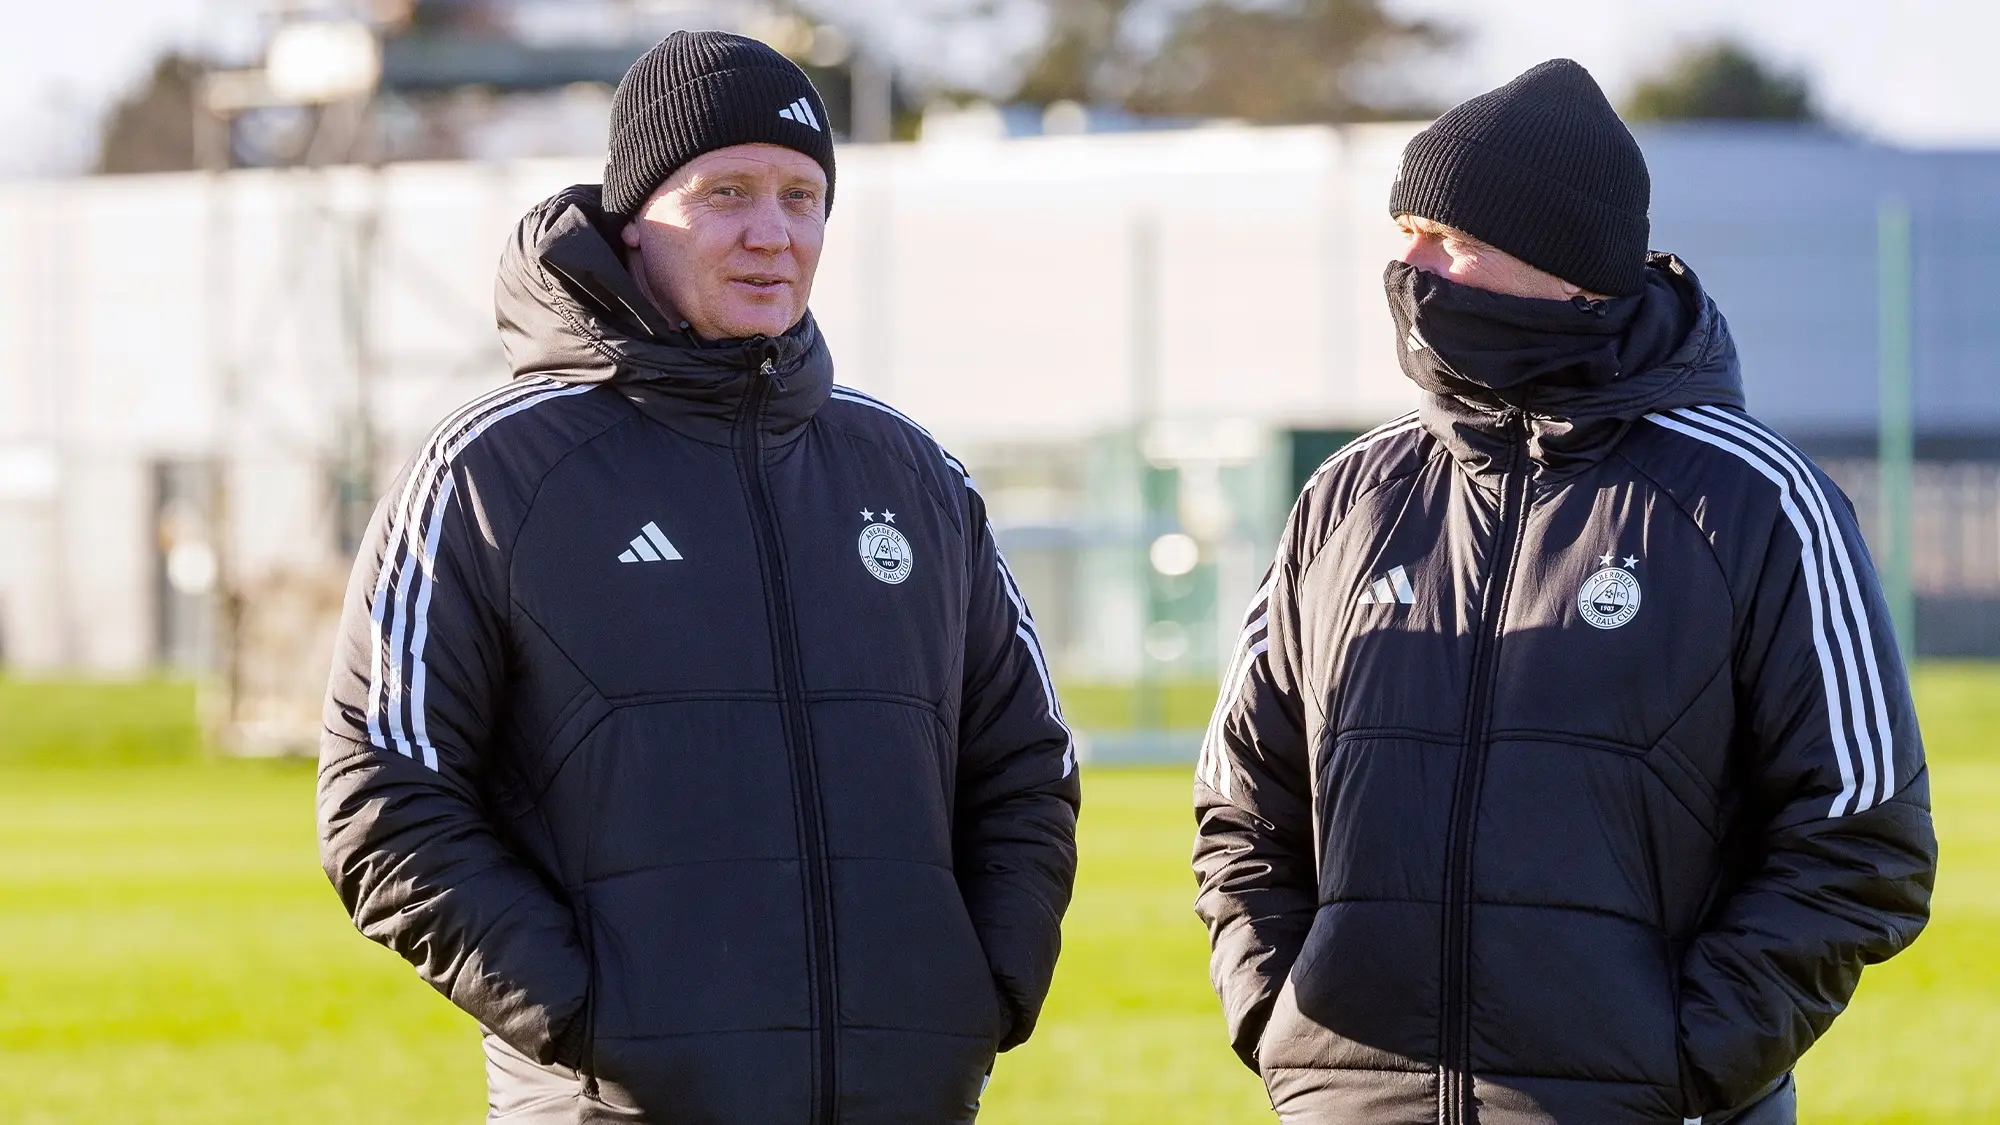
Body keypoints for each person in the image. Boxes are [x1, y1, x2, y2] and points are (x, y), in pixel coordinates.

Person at [317, 31, 1080, 1124]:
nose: (771, 233)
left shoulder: (907, 473)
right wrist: (592, 1022)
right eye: (724, 193)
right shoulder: (494, 470)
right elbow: (382, 797)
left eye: (801, 197)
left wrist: (978, 992)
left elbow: (1024, 769)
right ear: (635, 221)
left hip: (903, 1094)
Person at [1193, 59, 1936, 1125]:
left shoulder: (1755, 501)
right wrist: (1282, 1029)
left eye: (1453, 243)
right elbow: (1239, 800)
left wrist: (1681, 1063)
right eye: (1404, 231)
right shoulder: (1344, 497)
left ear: (1572, 276)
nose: (1411, 269)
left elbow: (1864, 832)